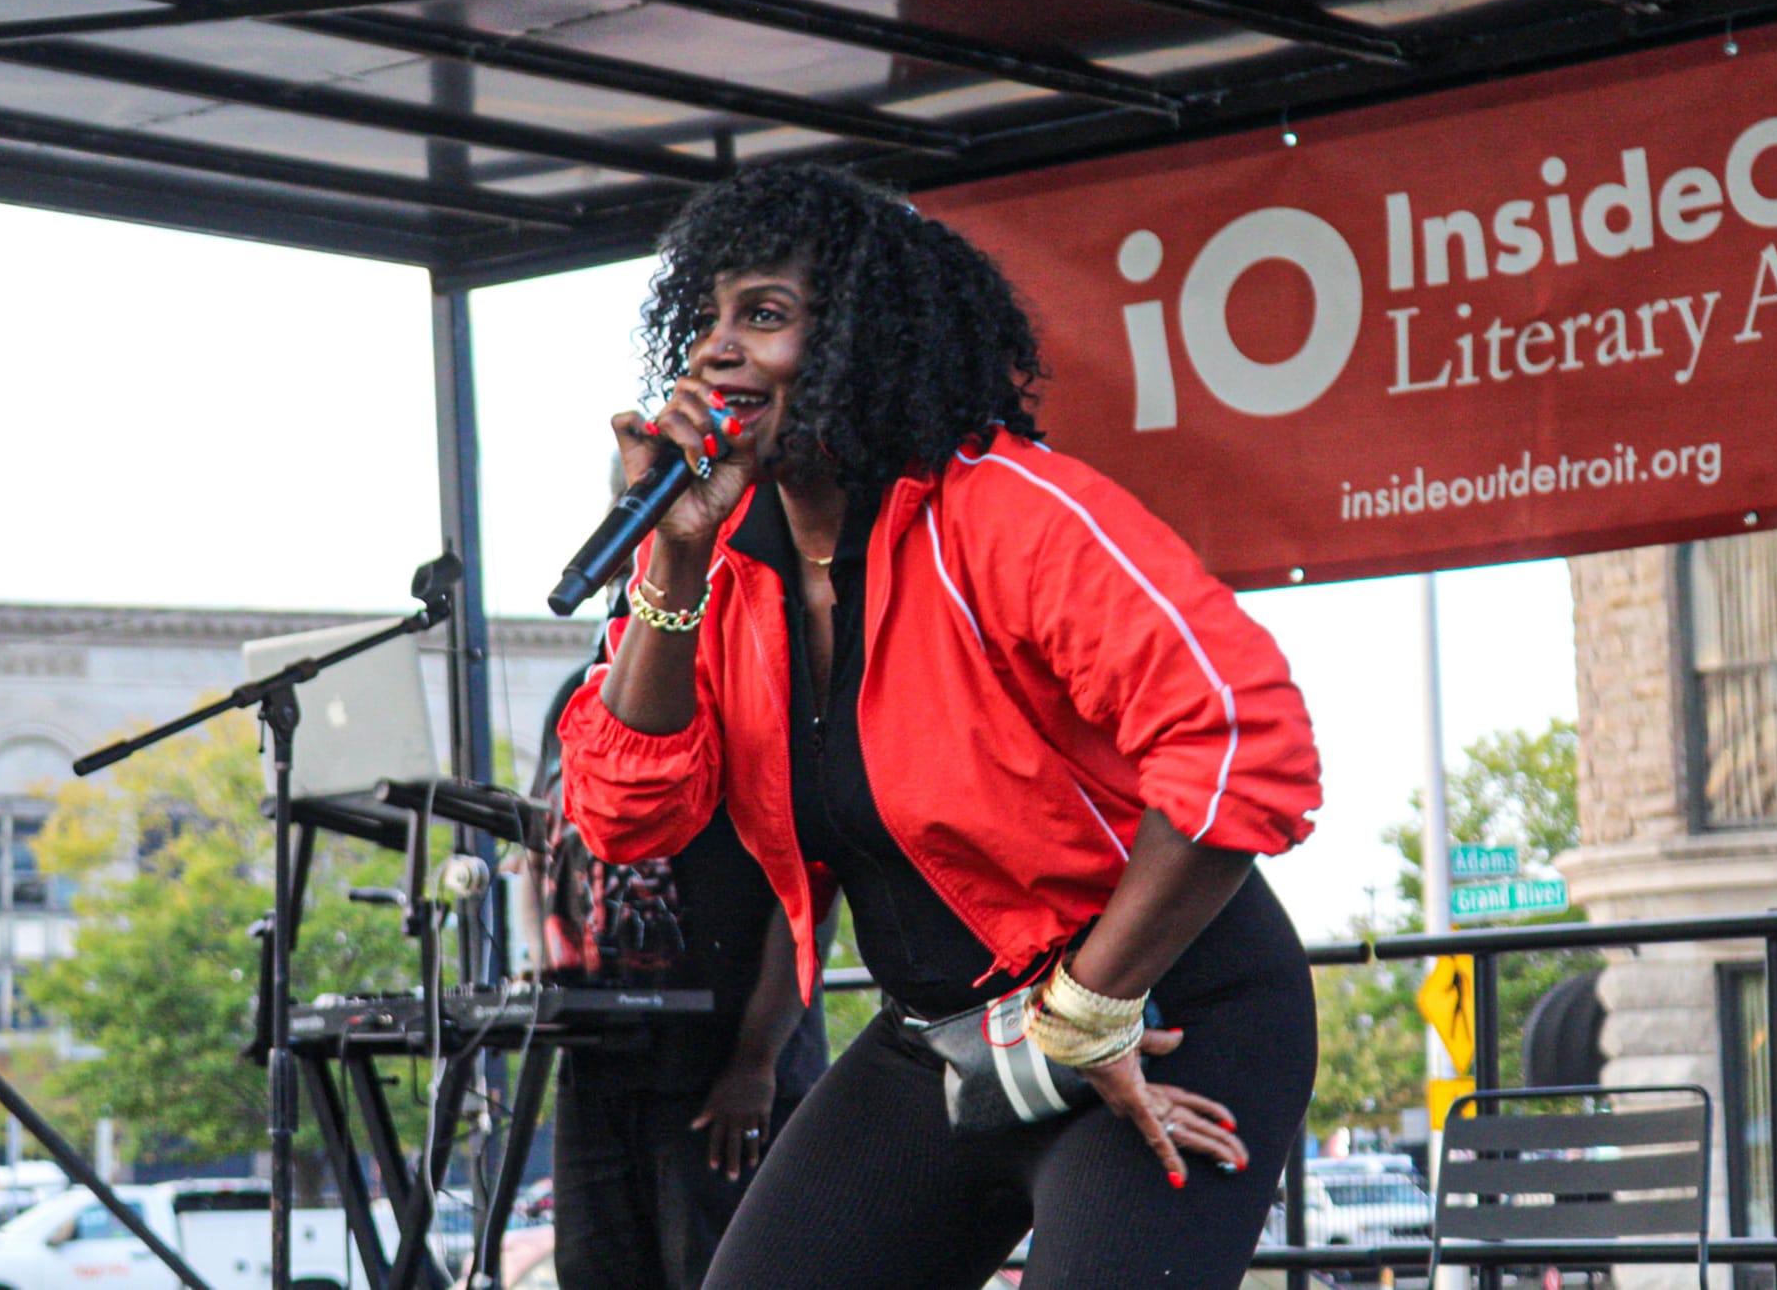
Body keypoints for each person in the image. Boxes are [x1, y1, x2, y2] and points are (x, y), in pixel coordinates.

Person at [556, 163, 1323, 1289]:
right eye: (708, 318)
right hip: (945, 1036)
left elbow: (1241, 742)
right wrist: (669, 556)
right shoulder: (727, 565)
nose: (716, 349)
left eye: (762, 314)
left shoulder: (1004, 514)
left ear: (859, 340)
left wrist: (1086, 1008)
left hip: (1162, 1004)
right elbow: (625, 812)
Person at [534, 665, 835, 1290]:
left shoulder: (749, 684)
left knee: (715, 1271)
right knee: (592, 1268)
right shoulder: (579, 693)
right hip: (598, 1065)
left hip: (724, 1069)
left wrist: (757, 1060)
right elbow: (547, 840)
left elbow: (806, 892)